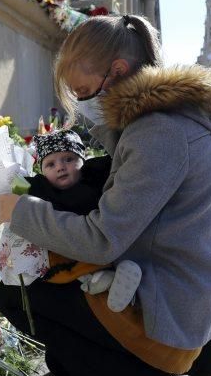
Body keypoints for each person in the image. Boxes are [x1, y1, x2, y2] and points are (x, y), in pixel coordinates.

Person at [0, 14, 211, 376]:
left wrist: (20, 211)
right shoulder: (166, 119)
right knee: (63, 361)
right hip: (182, 289)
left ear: (119, 71)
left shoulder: (157, 133)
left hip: (164, 301)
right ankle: (201, 351)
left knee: (14, 294)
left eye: (85, 92)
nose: (84, 103)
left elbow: (103, 239)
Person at [13, 129, 142, 312]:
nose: (60, 167)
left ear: (83, 160)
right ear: (42, 171)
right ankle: (100, 281)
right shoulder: (44, 191)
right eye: (50, 164)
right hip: (69, 251)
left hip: (101, 244)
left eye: (69, 159)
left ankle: (116, 277)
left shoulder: (96, 179)